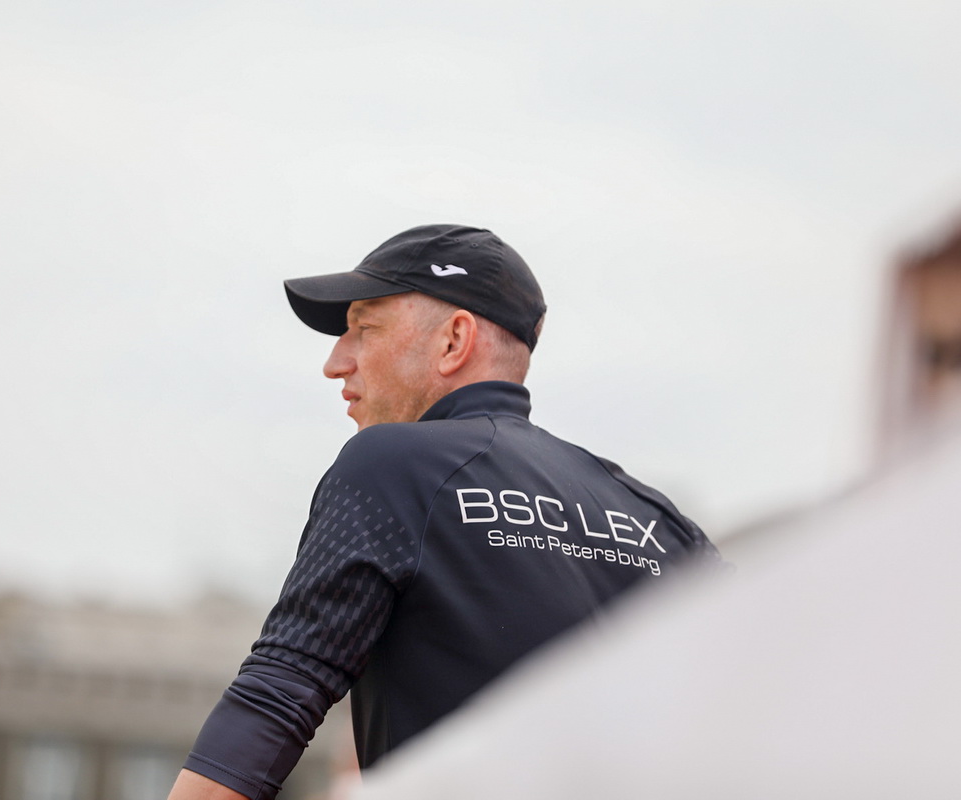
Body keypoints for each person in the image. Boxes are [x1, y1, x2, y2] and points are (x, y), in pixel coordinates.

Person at [167, 224, 721, 800]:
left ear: (455, 340)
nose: (336, 362)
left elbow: (278, 695)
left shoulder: (392, 465)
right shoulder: (666, 526)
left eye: (364, 329)